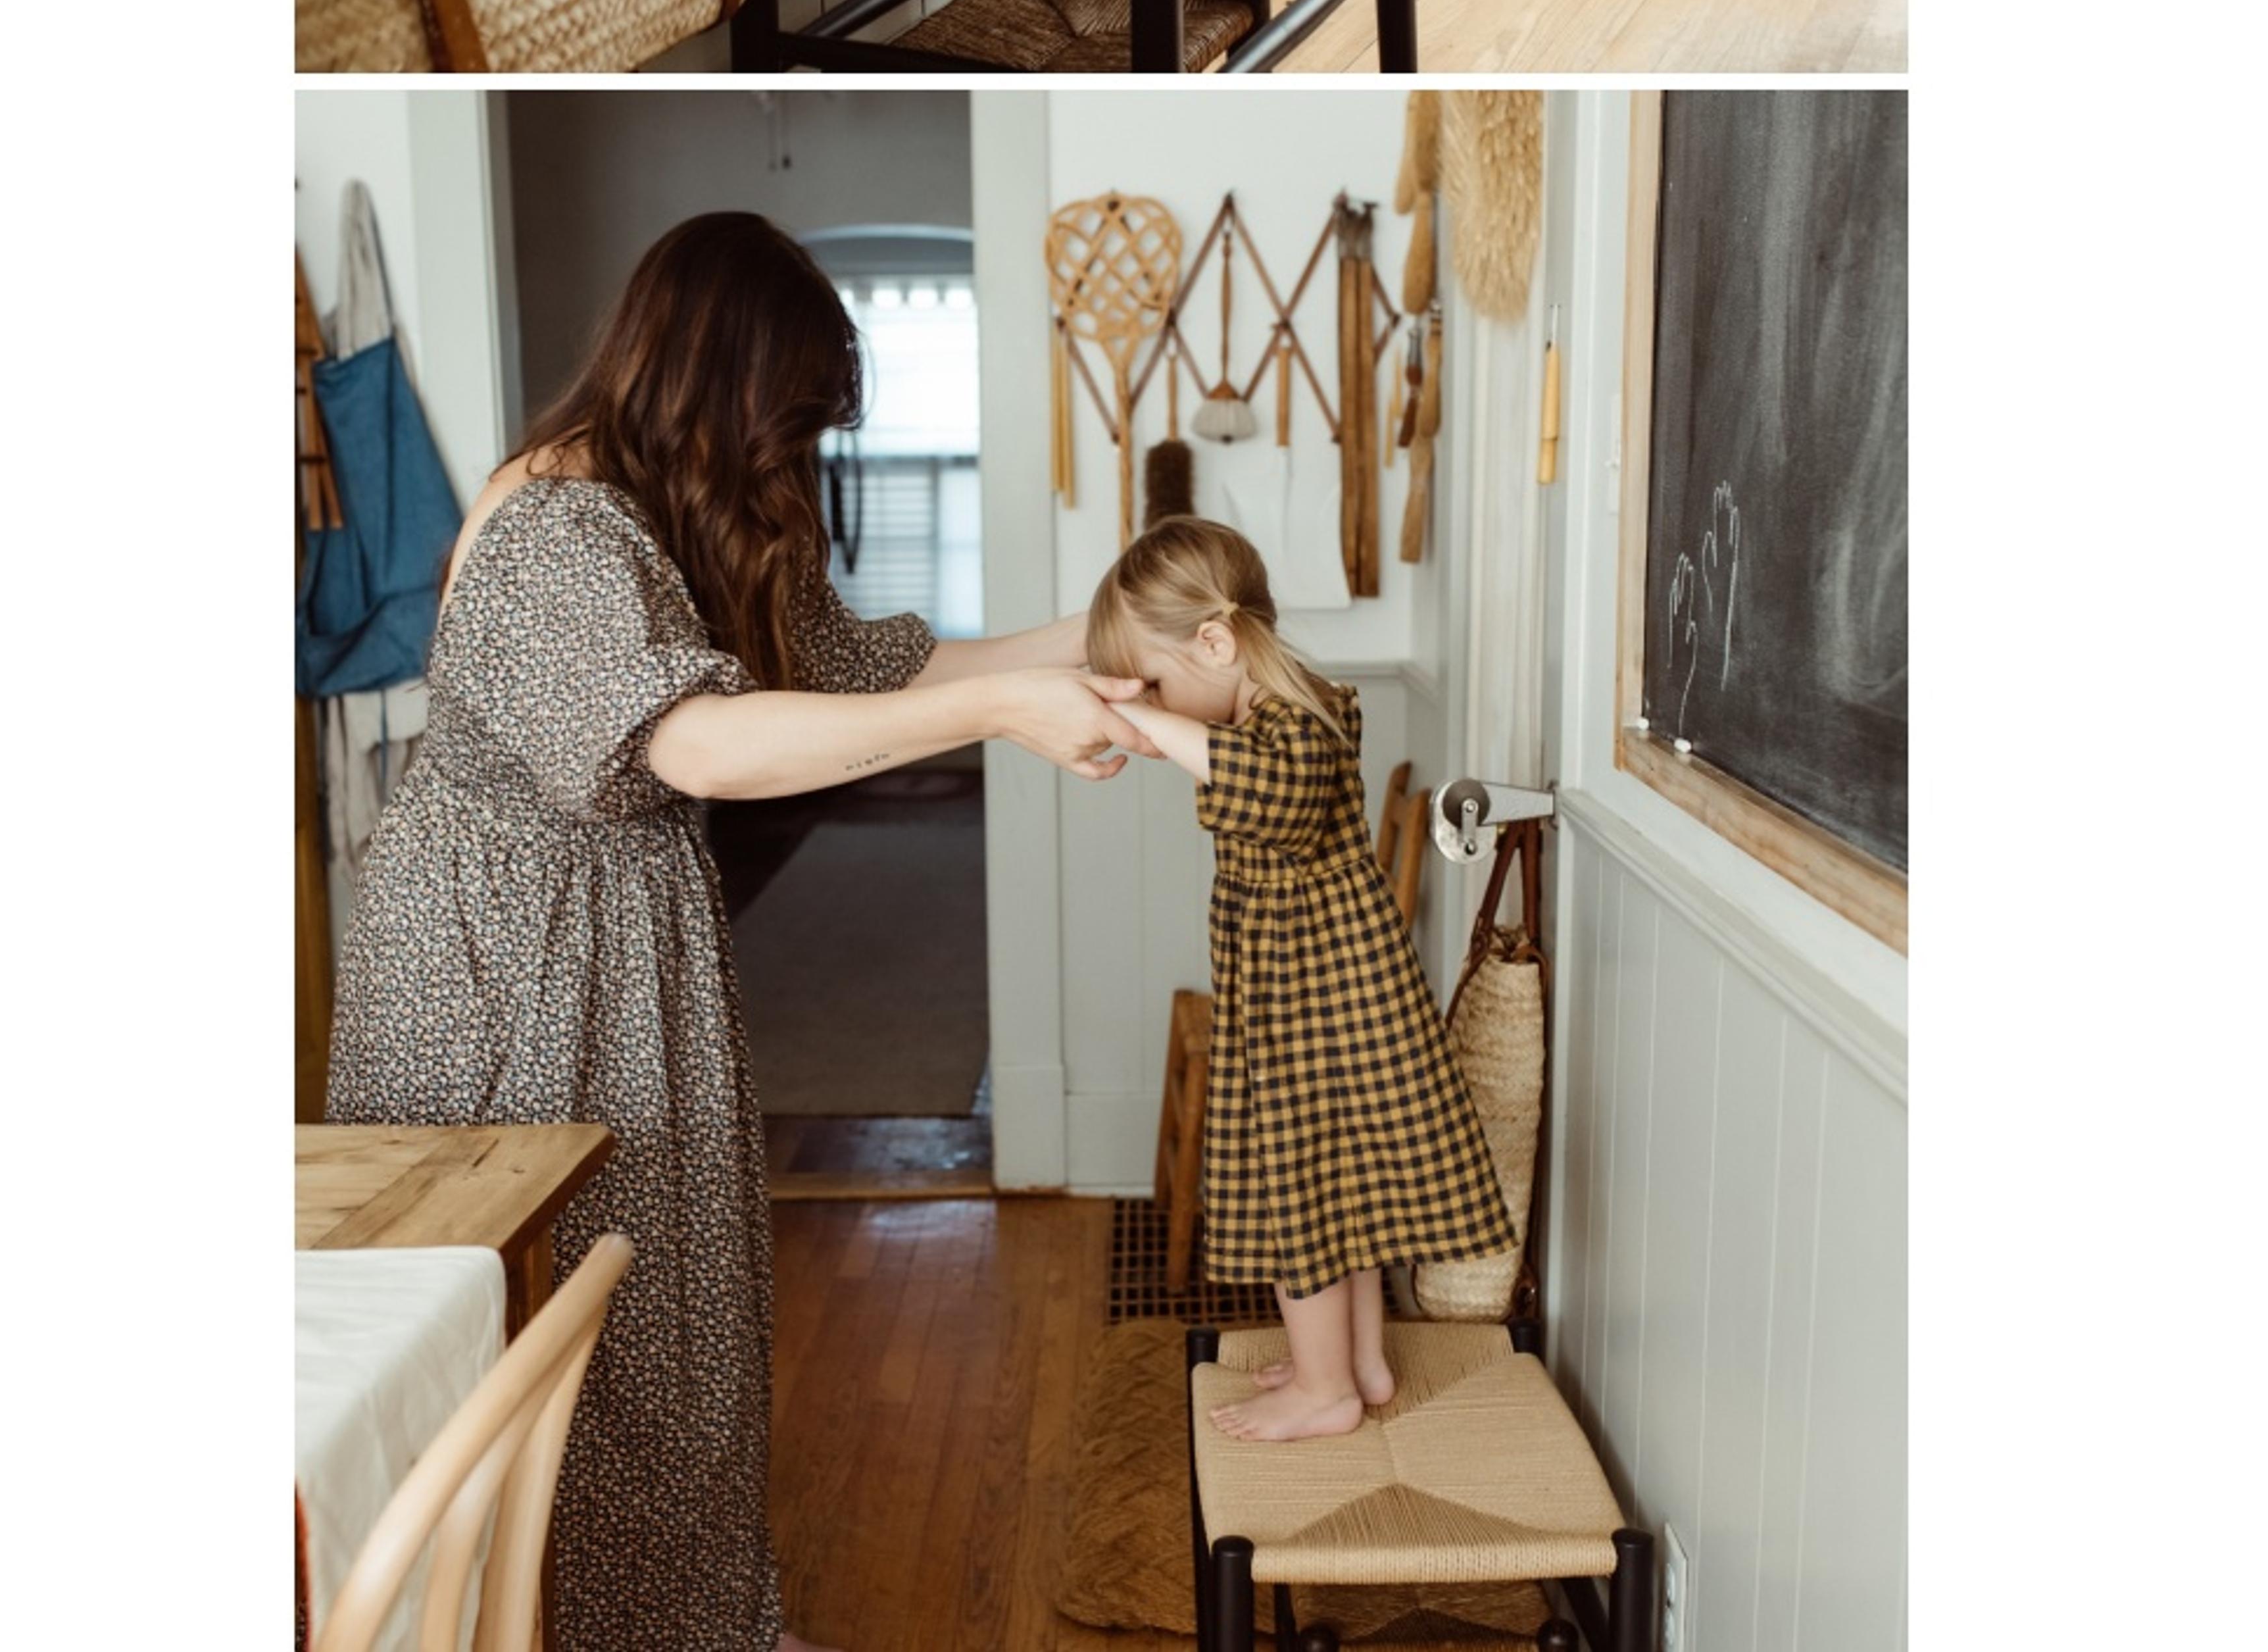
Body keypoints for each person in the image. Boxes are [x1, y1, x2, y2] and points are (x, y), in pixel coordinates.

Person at [325, 213, 1150, 1652]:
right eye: (788, 432)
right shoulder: (553, 531)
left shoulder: (668, 512)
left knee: (666, 1335)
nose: (799, 468)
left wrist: (1093, 640)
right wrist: (1004, 714)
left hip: (616, 958)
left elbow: (857, 665)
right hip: (501, 989)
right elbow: (698, 747)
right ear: (708, 388)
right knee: (538, 1348)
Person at [1088, 517, 1517, 1441]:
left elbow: (1274, 797)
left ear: (1215, 642)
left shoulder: (1299, 726)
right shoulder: (1283, 710)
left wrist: (1145, 725)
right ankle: (1354, 1365)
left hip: (1320, 1015)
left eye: (1158, 681)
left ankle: (1324, 1393)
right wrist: (1152, 713)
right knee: (1343, 1198)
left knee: (1303, 1204)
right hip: (1315, 1002)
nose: (1154, 705)